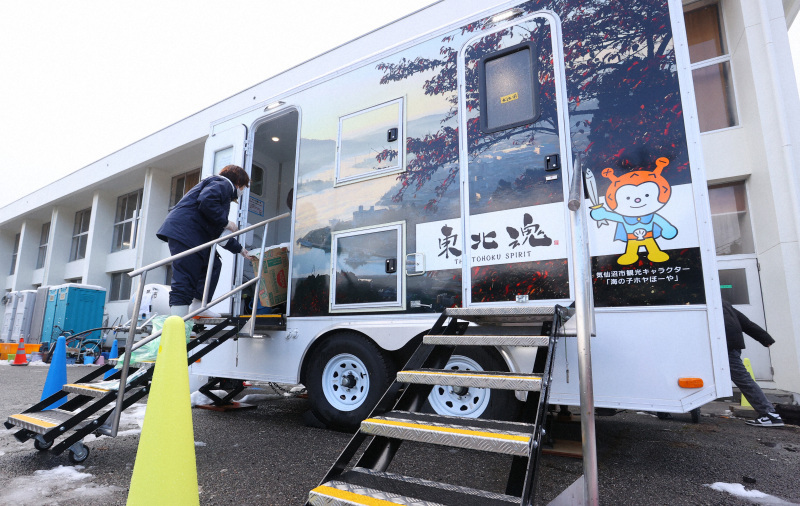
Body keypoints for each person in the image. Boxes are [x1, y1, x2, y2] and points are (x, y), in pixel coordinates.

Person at [157, 165, 252, 317]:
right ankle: (177, 323)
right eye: (244, 187)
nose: (242, 191)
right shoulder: (223, 183)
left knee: (213, 265)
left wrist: (241, 250)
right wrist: (226, 222)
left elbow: (218, 235)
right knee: (185, 277)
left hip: (191, 234)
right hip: (186, 233)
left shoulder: (217, 188)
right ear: (238, 182)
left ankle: (197, 306)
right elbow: (207, 201)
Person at [722, 299, 784, 427]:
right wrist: (765, 338)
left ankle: (769, 414)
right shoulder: (723, 303)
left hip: (725, 347)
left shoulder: (712, 302)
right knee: (743, 379)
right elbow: (746, 323)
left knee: (743, 379)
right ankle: (769, 413)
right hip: (732, 345)